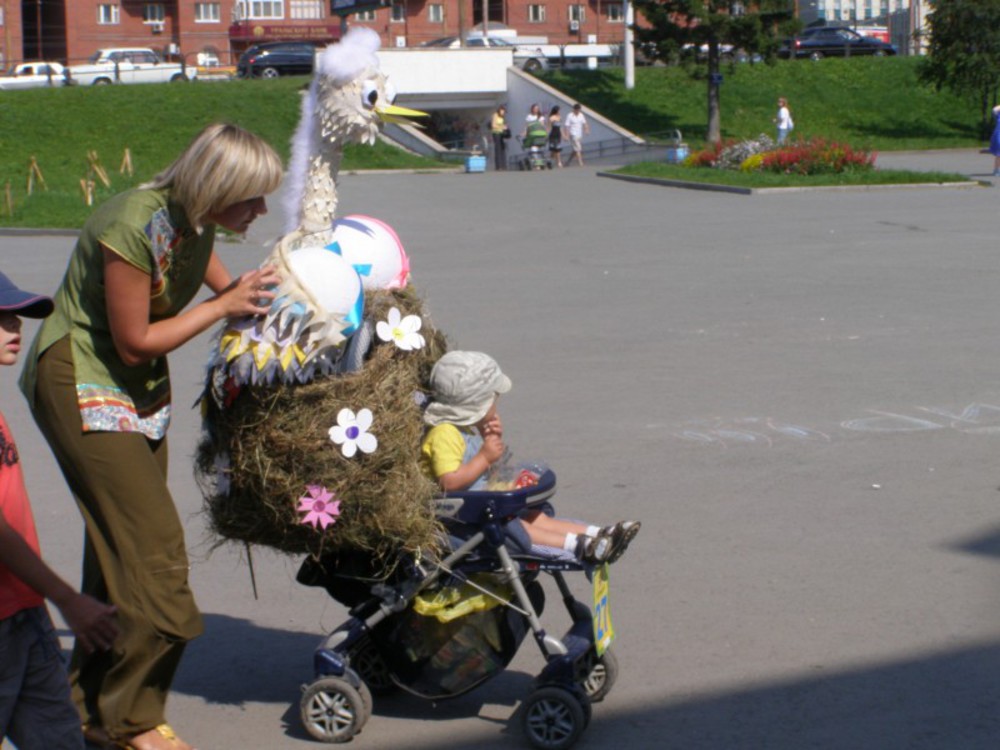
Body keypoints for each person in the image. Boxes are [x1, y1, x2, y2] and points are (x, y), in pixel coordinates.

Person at [19, 123, 284, 750]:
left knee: (119, 550)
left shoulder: (195, 219)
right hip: (83, 379)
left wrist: (247, 298)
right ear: (216, 188)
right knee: (155, 553)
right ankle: (127, 723)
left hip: (130, 388)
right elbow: (136, 344)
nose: (261, 210)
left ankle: (86, 707)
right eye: (250, 197)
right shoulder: (132, 227)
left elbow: (205, 267)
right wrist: (222, 308)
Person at [0, 273, 121, 750]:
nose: (16, 328)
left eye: (18, 317)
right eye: (3, 318)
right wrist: (68, 599)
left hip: (26, 613)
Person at [421, 351, 640, 564]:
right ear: (477, 404)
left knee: (537, 517)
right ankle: (580, 546)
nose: (496, 406)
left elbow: (486, 473)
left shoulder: (464, 431)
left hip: (483, 508)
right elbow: (449, 482)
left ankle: (601, 533)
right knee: (522, 529)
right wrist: (485, 457)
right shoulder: (445, 434)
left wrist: (489, 437)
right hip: (465, 520)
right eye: (493, 400)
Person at [490, 105, 509, 171]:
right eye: (502, 111)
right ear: (500, 110)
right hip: (496, 133)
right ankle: (498, 166)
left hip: (501, 134)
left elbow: (503, 124)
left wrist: (505, 127)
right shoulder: (495, 115)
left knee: (502, 148)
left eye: (504, 112)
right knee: (498, 149)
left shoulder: (502, 117)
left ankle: (503, 165)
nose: (503, 113)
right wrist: (501, 126)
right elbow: (493, 125)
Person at [989, 104, 1000, 177]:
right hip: (998, 135)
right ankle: (996, 170)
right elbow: (994, 110)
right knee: (999, 154)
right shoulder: (998, 115)